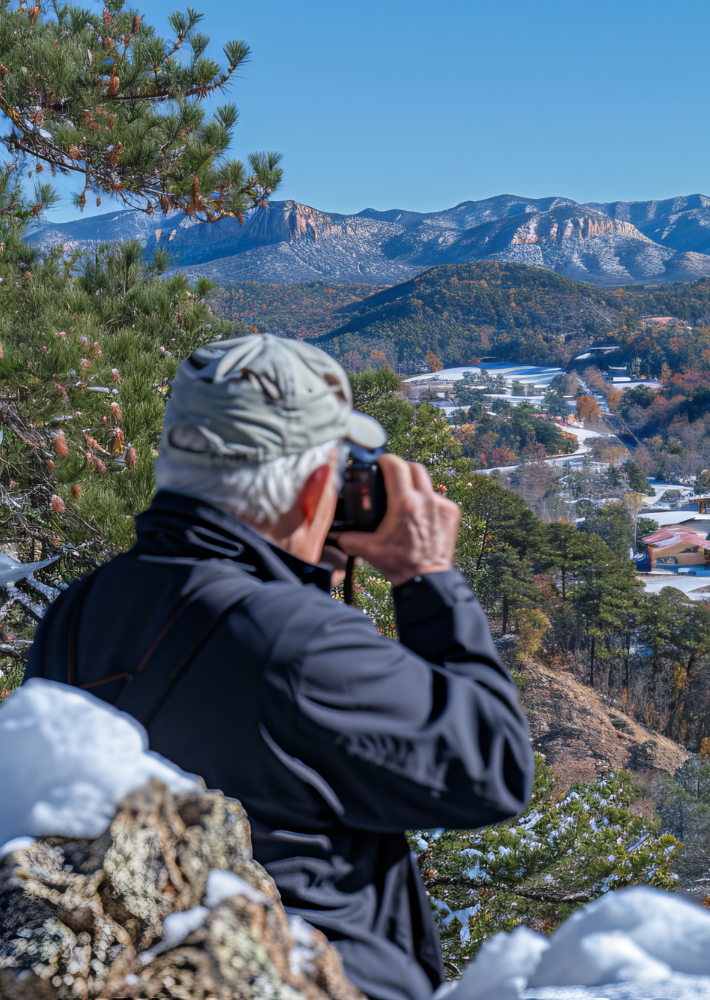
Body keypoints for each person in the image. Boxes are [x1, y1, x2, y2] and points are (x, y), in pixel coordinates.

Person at [27, 335, 534, 1000]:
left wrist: (299, 578)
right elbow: (494, 767)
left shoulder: (77, 610)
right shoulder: (299, 643)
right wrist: (426, 577)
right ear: (316, 485)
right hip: (304, 974)